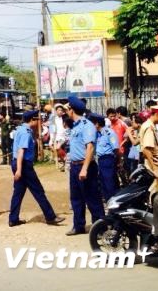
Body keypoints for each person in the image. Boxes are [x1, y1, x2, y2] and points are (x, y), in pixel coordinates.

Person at [9, 110, 64, 227]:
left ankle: (13, 219)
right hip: (23, 165)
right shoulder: (25, 132)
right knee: (38, 191)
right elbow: (21, 152)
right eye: (37, 119)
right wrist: (19, 169)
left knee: (18, 192)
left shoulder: (21, 129)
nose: (38, 122)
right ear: (32, 120)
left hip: (20, 164)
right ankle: (50, 216)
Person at [65, 95, 104, 235]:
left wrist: (85, 169)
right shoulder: (75, 126)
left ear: (71, 110)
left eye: (67, 108)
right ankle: (78, 225)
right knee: (76, 198)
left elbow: (90, 148)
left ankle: (99, 226)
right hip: (75, 166)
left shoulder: (87, 125)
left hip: (85, 166)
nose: (66, 111)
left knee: (92, 197)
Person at [89, 113, 120, 201]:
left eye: (93, 124)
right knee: (103, 180)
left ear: (97, 124)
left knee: (109, 181)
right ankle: (107, 199)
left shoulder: (109, 132)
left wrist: (117, 161)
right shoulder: (97, 134)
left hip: (108, 159)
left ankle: (112, 199)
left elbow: (116, 148)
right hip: (101, 160)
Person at [49, 104, 68, 171]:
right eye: (59, 110)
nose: (60, 111)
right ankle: (64, 161)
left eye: (61, 110)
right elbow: (51, 129)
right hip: (56, 137)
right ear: (56, 111)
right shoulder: (53, 118)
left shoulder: (65, 117)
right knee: (55, 149)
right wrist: (51, 139)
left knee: (57, 147)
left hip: (64, 136)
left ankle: (65, 159)